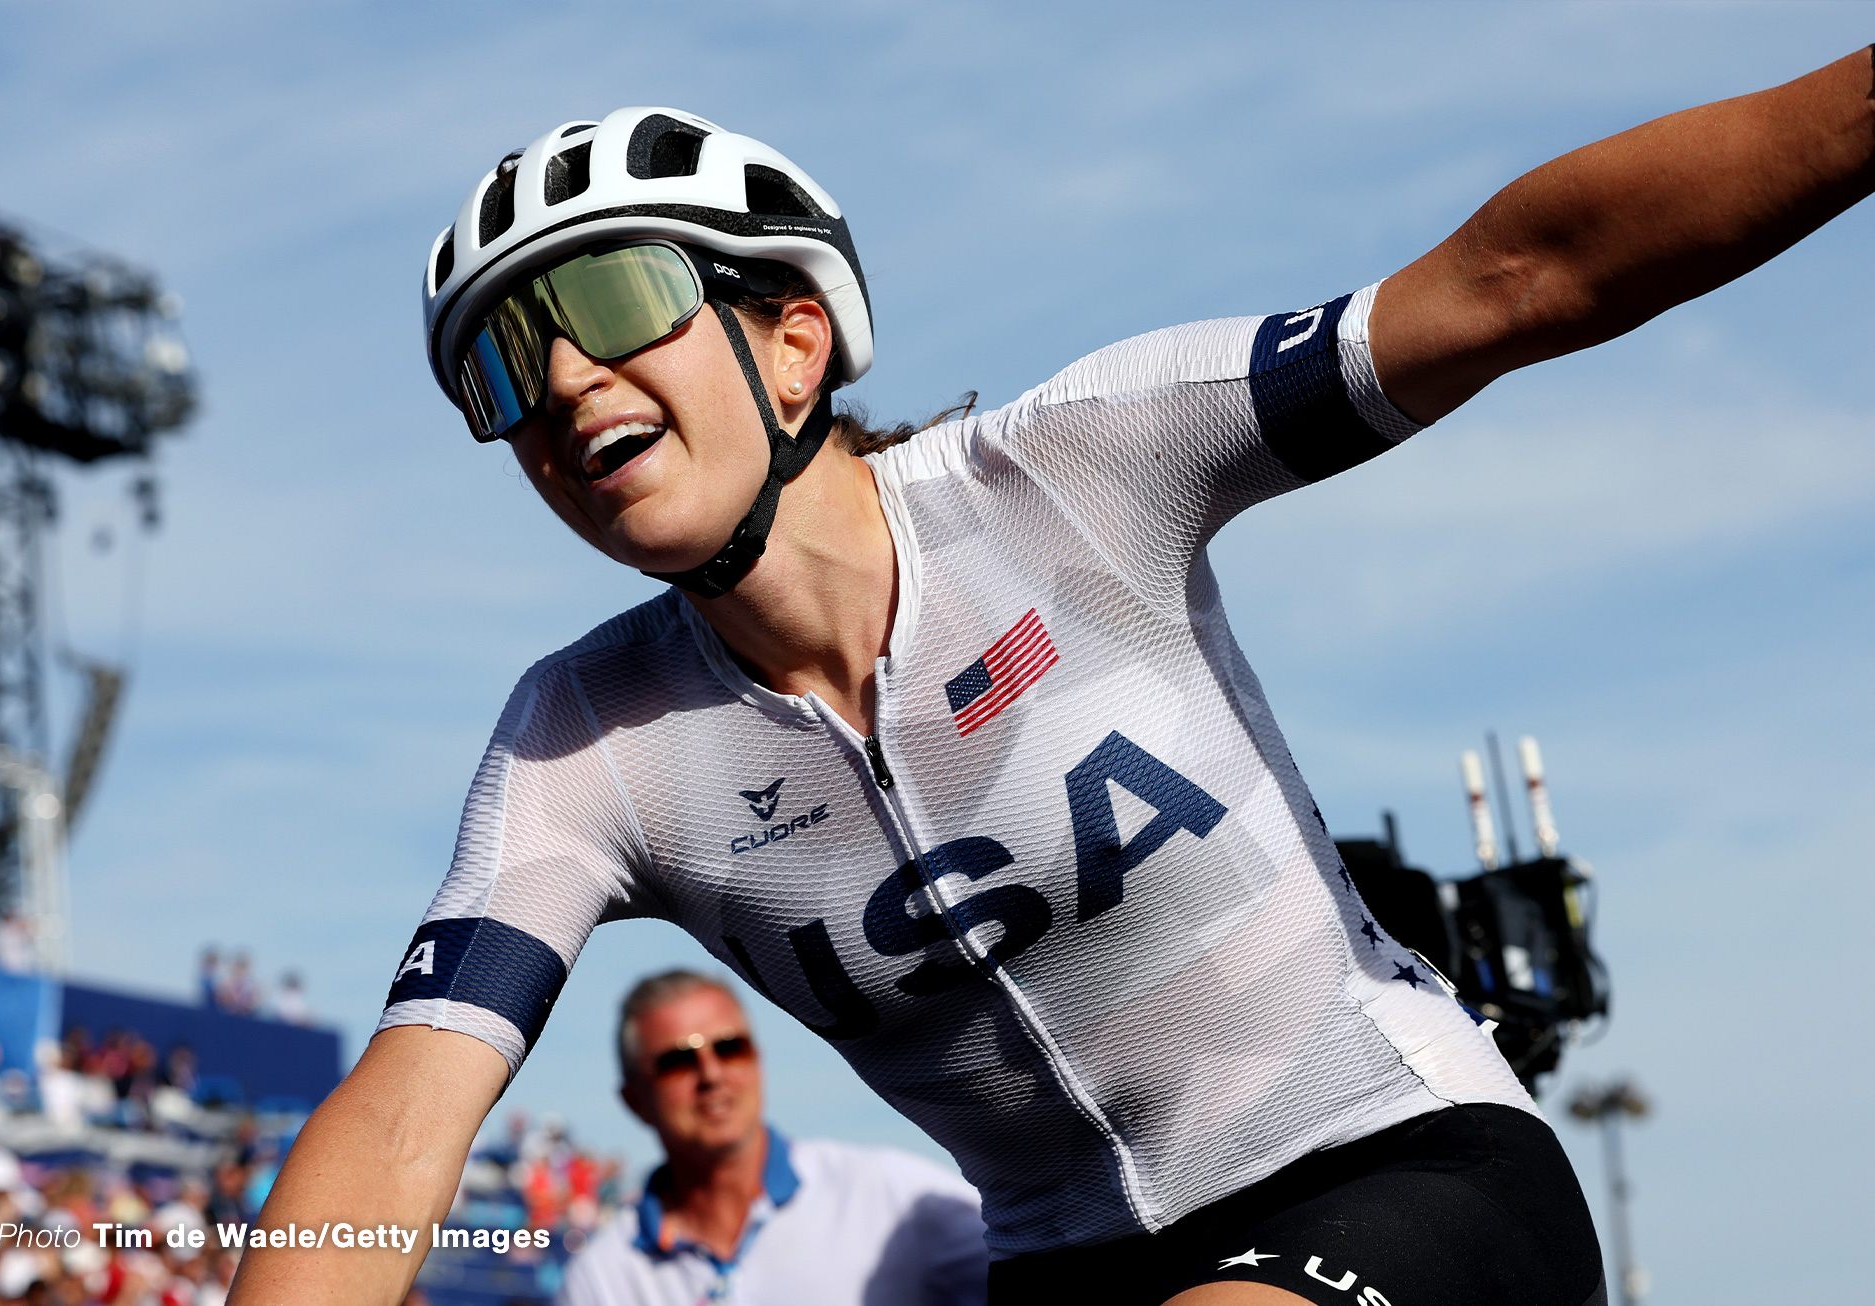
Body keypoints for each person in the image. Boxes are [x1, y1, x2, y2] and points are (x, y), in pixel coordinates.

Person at [232, 51, 1875, 1306]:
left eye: (606, 300)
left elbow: (1520, 278)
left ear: (796, 336)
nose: (561, 374)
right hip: (1070, 1270)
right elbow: (400, 1118)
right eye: (502, 363)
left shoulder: (1073, 468)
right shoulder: (579, 740)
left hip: (1396, 1165)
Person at [562, 971, 987, 1306]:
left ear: (757, 1063)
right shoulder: (603, 1278)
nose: (711, 1075)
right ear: (635, 1101)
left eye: (730, 1048)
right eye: (677, 1061)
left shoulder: (890, 1195)